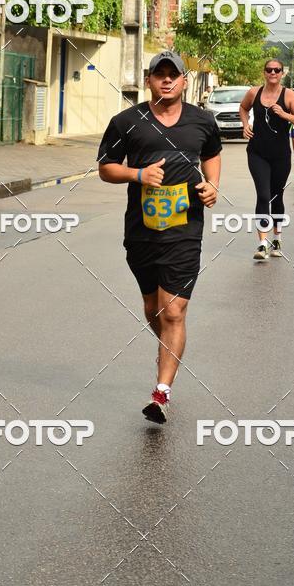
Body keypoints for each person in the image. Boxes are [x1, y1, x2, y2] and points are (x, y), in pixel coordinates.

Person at [98, 51, 222, 424]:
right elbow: (105, 168)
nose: (166, 80)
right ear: (149, 80)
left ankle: (161, 393)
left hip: (185, 231)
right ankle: (169, 345)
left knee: (174, 310)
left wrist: (213, 185)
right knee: (154, 310)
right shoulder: (126, 122)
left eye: (173, 75)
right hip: (141, 232)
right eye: (159, 74)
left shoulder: (203, 121)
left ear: (184, 81)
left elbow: (212, 154)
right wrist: (138, 176)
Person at [239, 60, 294, 261]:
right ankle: (262, 244)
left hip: (280, 155)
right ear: (264, 72)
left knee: (276, 197)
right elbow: (243, 108)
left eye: (277, 70)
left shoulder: (289, 95)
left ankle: (277, 238)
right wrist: (245, 125)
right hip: (257, 152)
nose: (273, 73)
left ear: (282, 73)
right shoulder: (254, 92)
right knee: (263, 195)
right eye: (269, 70)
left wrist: (285, 114)